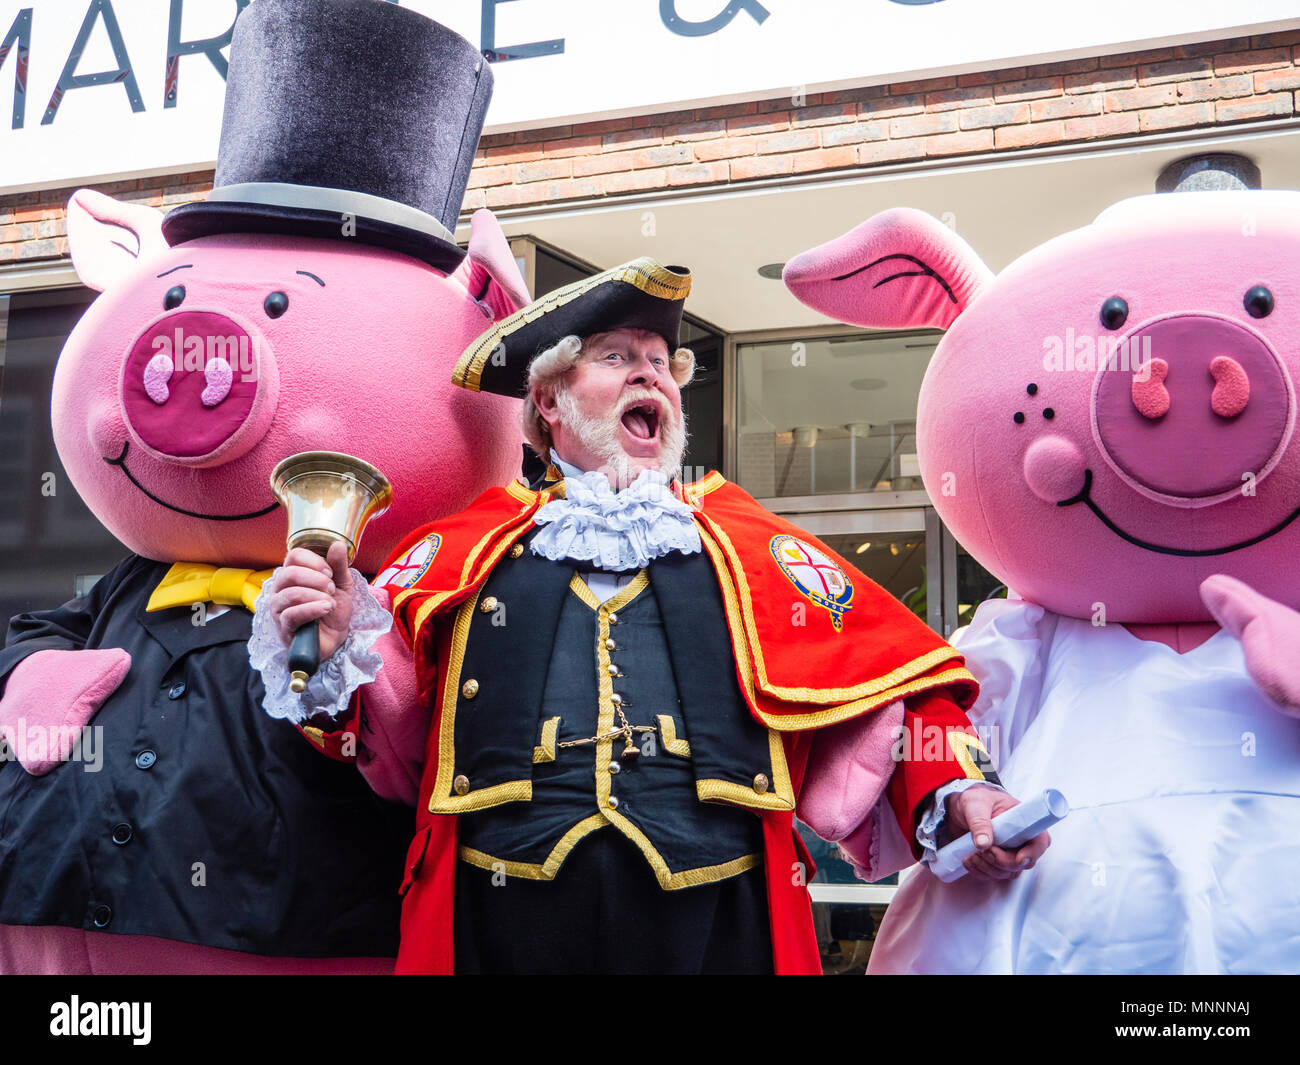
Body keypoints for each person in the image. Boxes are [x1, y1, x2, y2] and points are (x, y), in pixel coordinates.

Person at [254, 258, 1049, 974]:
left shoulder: (749, 544)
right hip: (497, 918)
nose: (654, 378)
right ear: (549, 399)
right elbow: (388, 736)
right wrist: (331, 646)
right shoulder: (466, 549)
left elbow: (891, 694)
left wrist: (959, 792)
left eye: (663, 364)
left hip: (721, 921)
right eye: (618, 358)